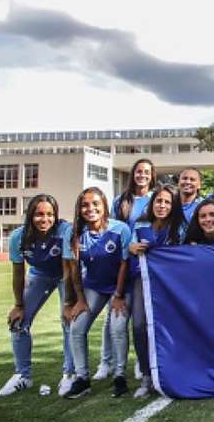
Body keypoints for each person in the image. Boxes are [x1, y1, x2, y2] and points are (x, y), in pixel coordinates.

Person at [0, 195, 75, 397]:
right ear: (31, 216)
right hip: (39, 275)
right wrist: (18, 305)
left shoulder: (64, 231)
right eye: (39, 214)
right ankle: (23, 376)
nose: (45, 219)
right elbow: (18, 273)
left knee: (69, 321)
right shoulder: (19, 237)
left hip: (64, 275)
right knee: (17, 322)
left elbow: (68, 269)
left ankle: (69, 374)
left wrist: (68, 303)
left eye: (50, 214)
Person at [62, 187, 132, 398]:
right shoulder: (73, 232)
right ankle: (82, 378)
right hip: (93, 286)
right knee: (76, 326)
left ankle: (120, 376)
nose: (90, 208)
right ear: (79, 208)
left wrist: (118, 296)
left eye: (95, 204)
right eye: (85, 205)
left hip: (121, 286)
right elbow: (73, 270)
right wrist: (79, 300)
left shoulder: (120, 229)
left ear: (104, 206)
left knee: (118, 326)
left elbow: (124, 264)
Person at [100, 158, 155, 381]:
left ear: (152, 176)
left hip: (146, 263)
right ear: (133, 174)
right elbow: (113, 229)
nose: (142, 175)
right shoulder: (121, 200)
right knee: (113, 316)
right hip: (124, 260)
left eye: (147, 172)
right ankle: (106, 362)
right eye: (139, 171)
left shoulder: (155, 199)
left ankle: (139, 362)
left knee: (142, 318)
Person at [128, 184, 185, 397]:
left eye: (167, 202)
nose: (162, 205)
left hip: (170, 285)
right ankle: (146, 374)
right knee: (140, 325)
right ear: (152, 203)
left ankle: (171, 370)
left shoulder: (179, 227)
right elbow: (130, 245)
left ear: (174, 205)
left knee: (171, 327)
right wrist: (131, 248)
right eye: (159, 201)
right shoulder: (141, 224)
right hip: (142, 282)